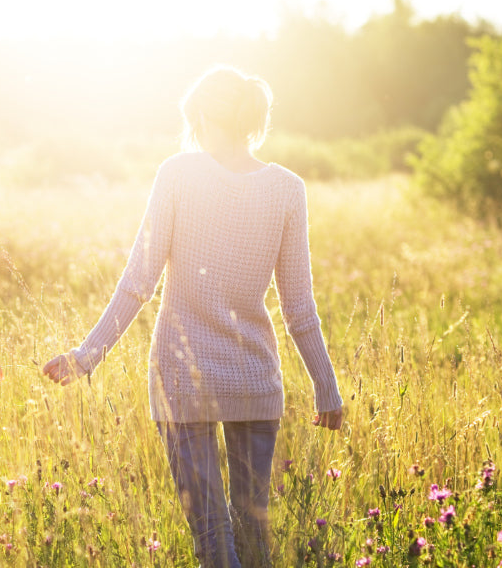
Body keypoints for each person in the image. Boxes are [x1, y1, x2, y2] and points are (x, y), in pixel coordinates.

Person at [41, 65, 344, 568]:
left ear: (201, 115)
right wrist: (326, 387)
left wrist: (86, 355)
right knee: (252, 539)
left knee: (212, 536)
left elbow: (139, 280)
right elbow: (299, 308)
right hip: (255, 381)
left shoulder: (177, 174)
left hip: (182, 382)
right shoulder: (288, 189)